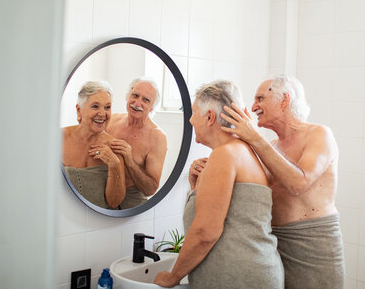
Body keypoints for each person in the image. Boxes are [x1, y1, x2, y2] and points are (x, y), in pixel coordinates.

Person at [154, 80, 284, 289]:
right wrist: (196, 187)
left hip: (240, 279)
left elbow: (205, 232)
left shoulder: (225, 155)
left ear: (209, 117)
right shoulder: (244, 151)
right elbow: (234, 215)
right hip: (256, 272)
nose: (190, 119)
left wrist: (172, 277)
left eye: (193, 112)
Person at [220, 75, 345, 289]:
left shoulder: (319, 134)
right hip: (275, 244)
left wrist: (254, 138)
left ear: (284, 100)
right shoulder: (272, 146)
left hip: (314, 246)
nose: (253, 106)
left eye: (260, 98)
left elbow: (298, 183)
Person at [62, 81, 126, 209]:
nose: (102, 114)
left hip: (97, 221)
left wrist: (115, 164)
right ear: (79, 110)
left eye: (107, 107)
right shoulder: (59, 138)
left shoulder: (115, 147)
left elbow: (114, 202)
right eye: (95, 106)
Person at [106, 77, 167, 209]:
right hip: (104, 188)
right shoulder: (111, 121)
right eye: (135, 95)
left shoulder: (157, 137)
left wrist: (129, 160)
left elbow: (150, 189)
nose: (137, 103)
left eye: (145, 100)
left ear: (152, 107)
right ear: (127, 96)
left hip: (132, 197)